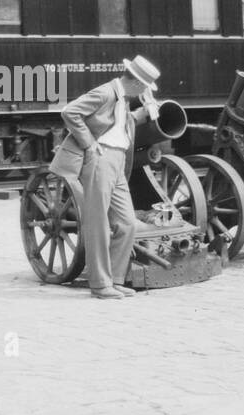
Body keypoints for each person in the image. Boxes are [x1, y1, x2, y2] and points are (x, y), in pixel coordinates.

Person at [49, 56, 163, 299]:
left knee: (127, 223)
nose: (144, 91)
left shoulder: (123, 97)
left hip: (118, 162)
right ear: (136, 82)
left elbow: (116, 124)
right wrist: (88, 144)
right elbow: (70, 112)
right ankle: (100, 285)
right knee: (98, 223)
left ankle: (115, 279)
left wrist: (145, 112)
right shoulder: (105, 93)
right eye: (144, 86)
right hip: (101, 160)